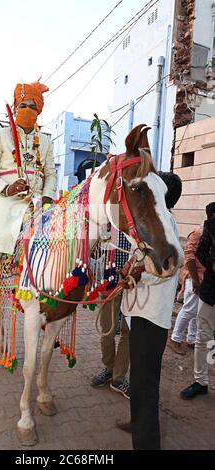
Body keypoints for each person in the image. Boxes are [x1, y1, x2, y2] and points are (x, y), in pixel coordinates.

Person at [0, 81, 57, 314]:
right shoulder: (2, 135)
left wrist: (47, 197)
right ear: (16, 107)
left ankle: (53, 286)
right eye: (23, 105)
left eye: (32, 106)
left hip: (37, 202)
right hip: (7, 200)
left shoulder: (46, 141)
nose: (27, 110)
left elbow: (50, 174)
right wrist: (6, 188)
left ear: (39, 111)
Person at [118, 171, 182, 450]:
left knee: (146, 384)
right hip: (140, 312)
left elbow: (167, 266)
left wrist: (140, 270)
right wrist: (130, 267)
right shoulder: (156, 224)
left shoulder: (166, 223)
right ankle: (136, 423)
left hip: (151, 316)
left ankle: (146, 444)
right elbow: (142, 256)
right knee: (139, 378)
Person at [180, 202, 215, 400]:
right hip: (210, 291)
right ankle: (201, 381)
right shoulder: (209, 227)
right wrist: (212, 265)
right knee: (203, 337)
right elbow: (197, 253)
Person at [91, 231, 131, 399]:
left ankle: (119, 377)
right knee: (107, 330)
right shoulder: (107, 222)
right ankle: (108, 367)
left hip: (133, 286)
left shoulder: (137, 223)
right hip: (109, 284)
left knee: (127, 332)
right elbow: (94, 252)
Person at [168, 224, 204, 354]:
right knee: (189, 309)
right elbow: (189, 256)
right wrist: (194, 280)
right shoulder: (199, 233)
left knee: (196, 310)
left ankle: (191, 339)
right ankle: (175, 339)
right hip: (195, 278)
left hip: (202, 278)